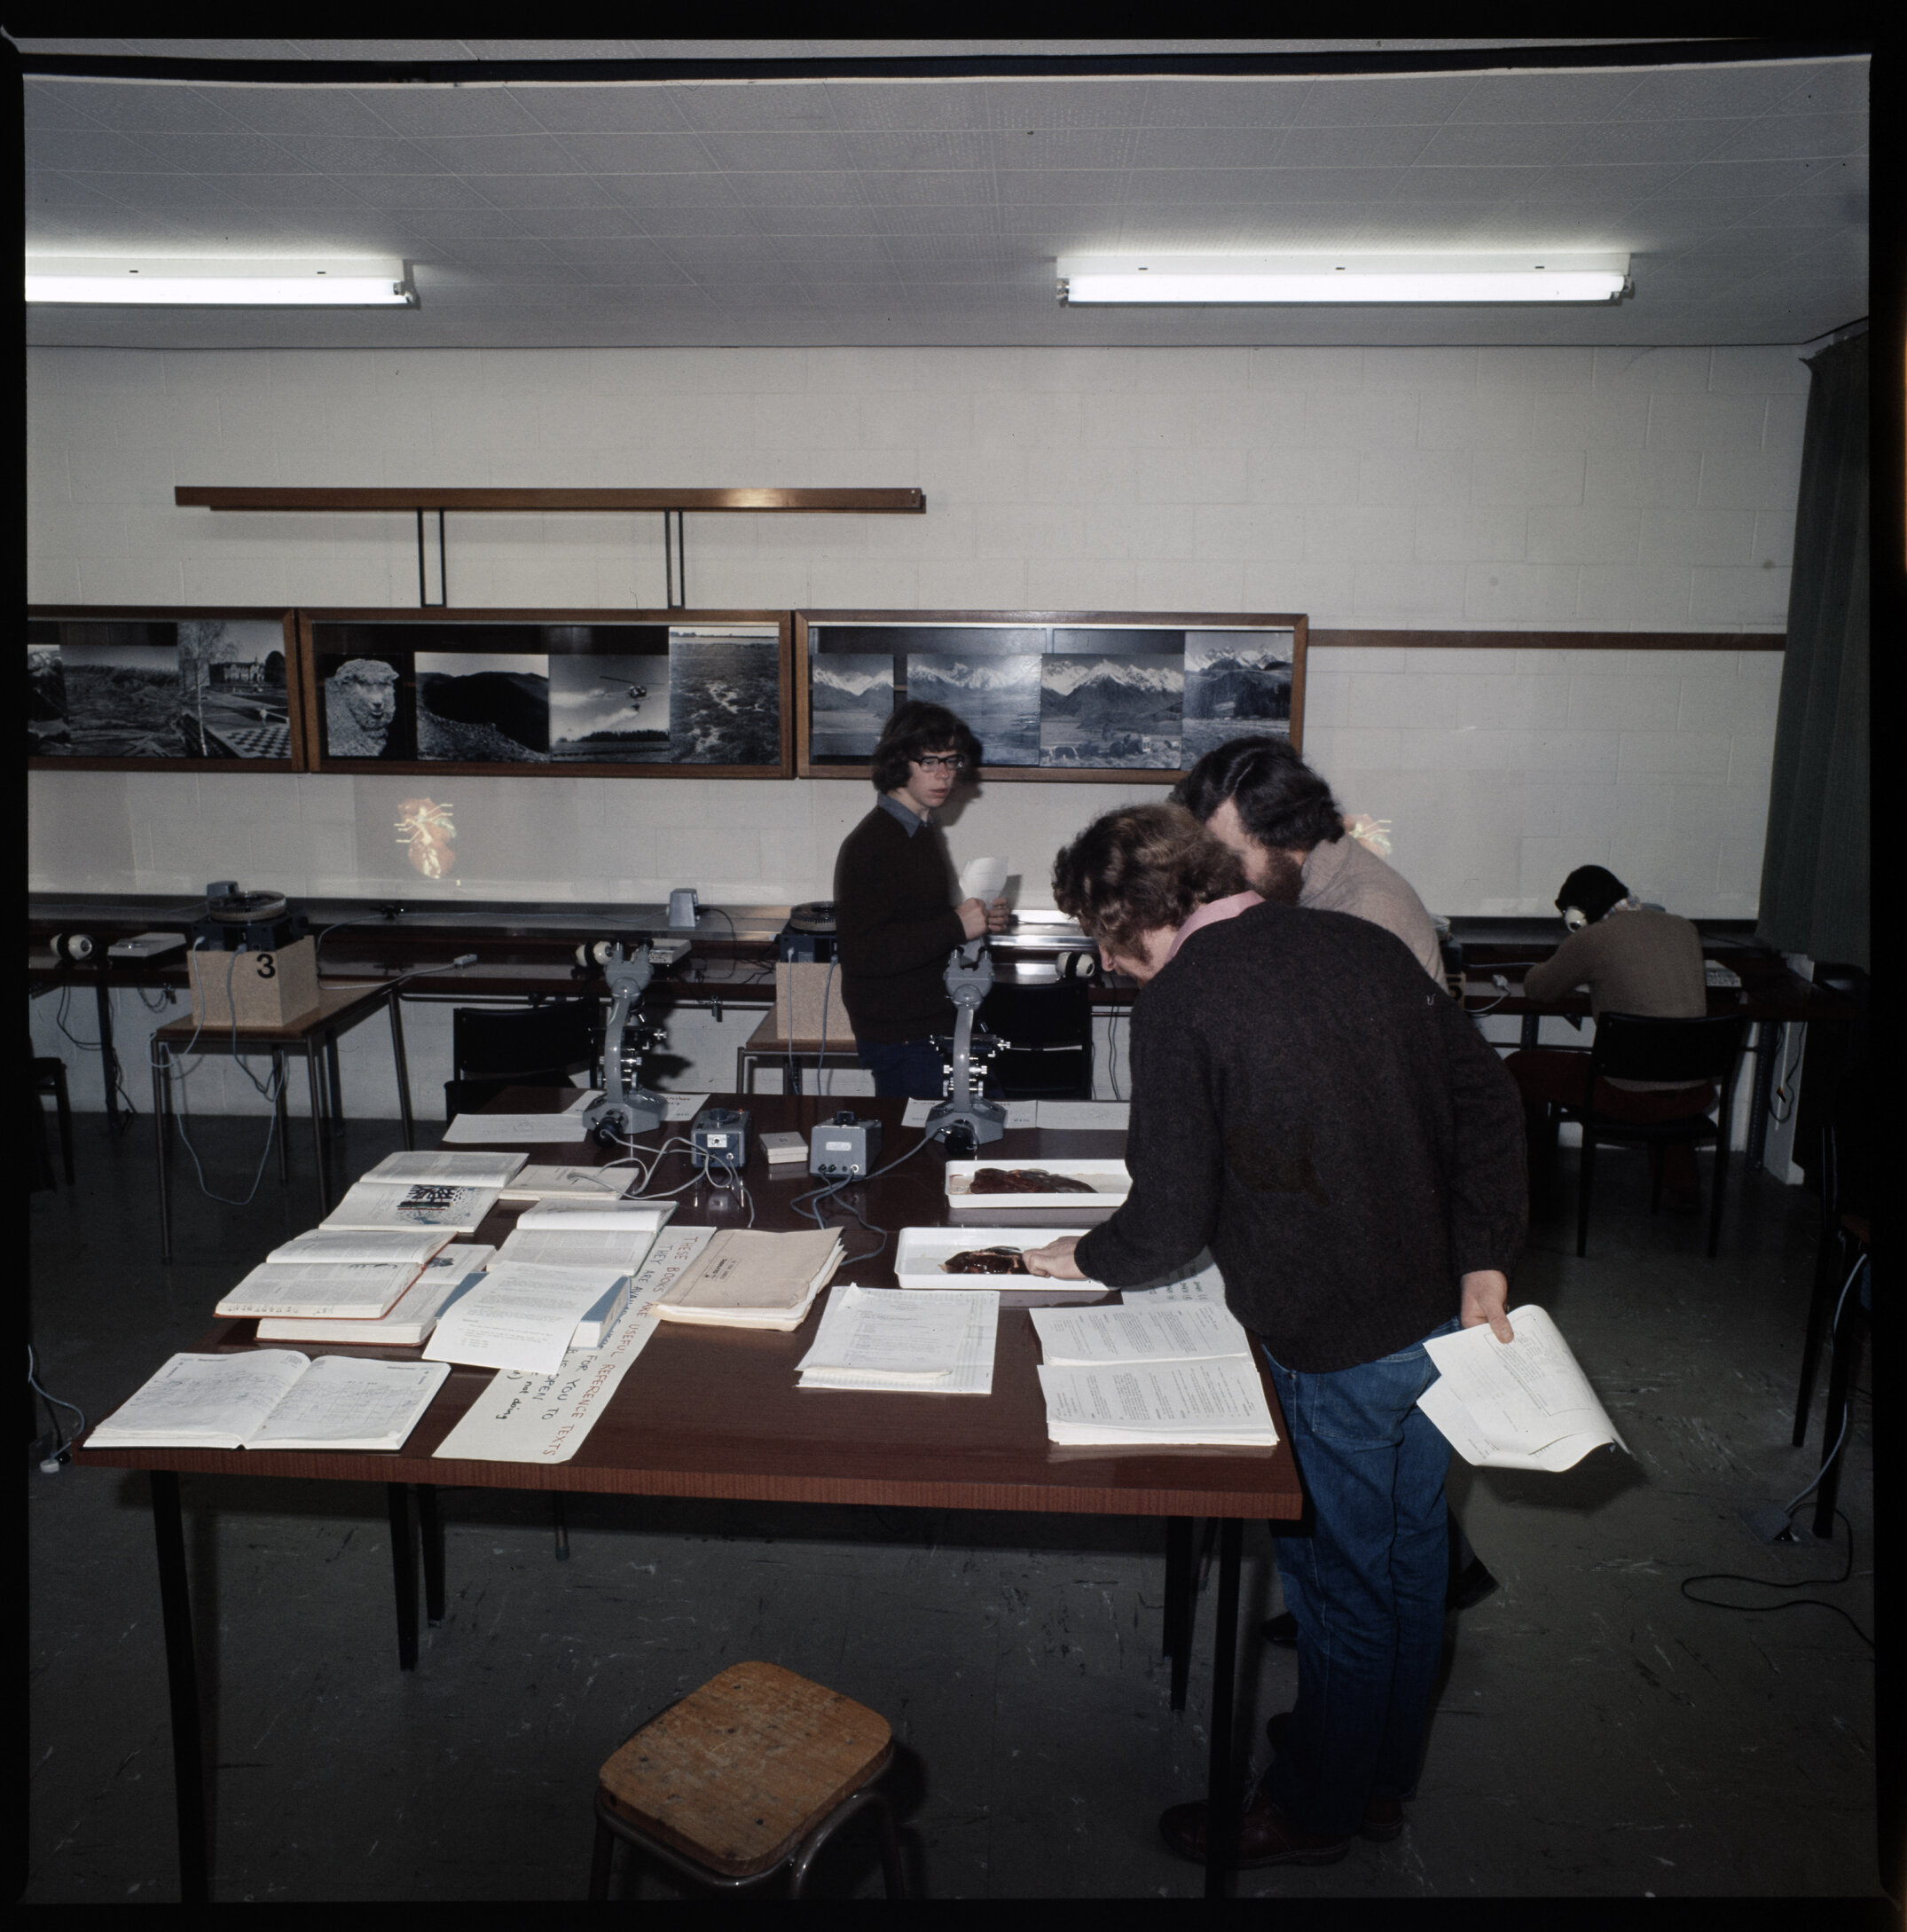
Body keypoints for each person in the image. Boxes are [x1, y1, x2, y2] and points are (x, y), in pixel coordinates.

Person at [1024, 803, 1526, 1868]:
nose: (1105, 964)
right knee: (1406, 1562)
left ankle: (1312, 1808)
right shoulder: (1358, 943)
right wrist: (1483, 1256)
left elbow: (1167, 1218)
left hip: (1328, 1335)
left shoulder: (1183, 1001)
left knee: (1341, 1587)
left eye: (1097, 938)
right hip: (1433, 1309)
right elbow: (1488, 1098)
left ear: (1123, 921)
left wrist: (1085, 1256)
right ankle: (1375, 1778)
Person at [1176, 734, 1497, 1619]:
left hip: (1371, 1274)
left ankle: (1376, 1648)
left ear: (1285, 838)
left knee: (1369, 1556)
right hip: (1378, 1260)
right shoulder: (1316, 896)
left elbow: (1337, 1123)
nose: (1220, 881)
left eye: (1227, 857)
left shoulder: (1360, 915)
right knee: (1379, 1525)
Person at [832, 700, 1008, 1099]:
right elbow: (865, 952)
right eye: (928, 762)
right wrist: (956, 925)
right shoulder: (873, 843)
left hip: (927, 1023)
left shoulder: (921, 830)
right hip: (903, 1035)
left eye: (951, 761)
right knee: (925, 1149)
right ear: (899, 763)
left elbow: (913, 919)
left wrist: (974, 918)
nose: (944, 775)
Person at [1508, 863, 1712, 1206]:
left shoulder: (1591, 938)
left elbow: (1539, 988)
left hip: (1629, 1097)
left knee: (1520, 1066)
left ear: (1577, 914)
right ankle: (1682, 1184)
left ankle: (1533, 1186)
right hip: (1694, 1092)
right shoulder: (1684, 928)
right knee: (1665, 1056)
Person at [1174, 734, 1444, 982]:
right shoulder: (1307, 886)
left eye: (1236, 859)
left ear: (1286, 839)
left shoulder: (1364, 916)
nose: (1228, 875)